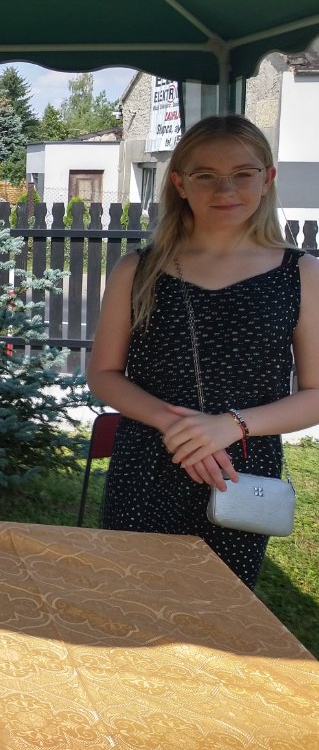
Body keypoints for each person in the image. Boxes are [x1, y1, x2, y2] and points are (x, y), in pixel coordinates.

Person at [87, 114, 319, 586]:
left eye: (243, 173)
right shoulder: (139, 268)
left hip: (239, 471)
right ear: (179, 182)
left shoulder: (302, 274)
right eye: (206, 176)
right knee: (131, 597)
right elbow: (104, 373)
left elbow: (316, 392)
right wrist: (176, 425)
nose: (225, 189)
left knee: (221, 609)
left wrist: (228, 427)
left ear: (268, 177)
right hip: (149, 460)